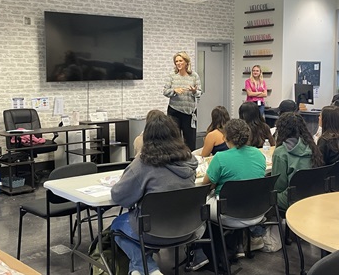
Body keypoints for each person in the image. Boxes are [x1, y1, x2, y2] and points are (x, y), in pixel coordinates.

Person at [111, 114, 199, 275]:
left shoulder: (142, 164)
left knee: (116, 225)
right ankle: (141, 268)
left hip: (154, 231)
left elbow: (119, 197)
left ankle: (147, 267)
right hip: (189, 227)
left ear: (147, 137)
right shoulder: (190, 159)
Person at [188, 119, 266, 271]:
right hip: (256, 211)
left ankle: (199, 253)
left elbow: (204, 185)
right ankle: (236, 248)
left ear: (225, 137)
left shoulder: (221, 158)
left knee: (198, 206)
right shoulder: (259, 155)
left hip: (228, 213)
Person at [271, 112, 324, 210]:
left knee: (266, 195)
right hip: (313, 195)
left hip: (292, 199)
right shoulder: (312, 147)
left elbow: (278, 186)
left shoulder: (281, 153)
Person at [163, 51, 202, 151]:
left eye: (180, 61)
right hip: (174, 111)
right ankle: (175, 160)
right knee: (173, 138)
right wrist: (174, 91)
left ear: (186, 62)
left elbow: (199, 93)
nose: (178, 63)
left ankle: (190, 160)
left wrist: (194, 91)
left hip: (189, 113)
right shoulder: (172, 75)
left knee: (190, 140)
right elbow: (165, 91)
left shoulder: (194, 76)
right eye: (176, 61)